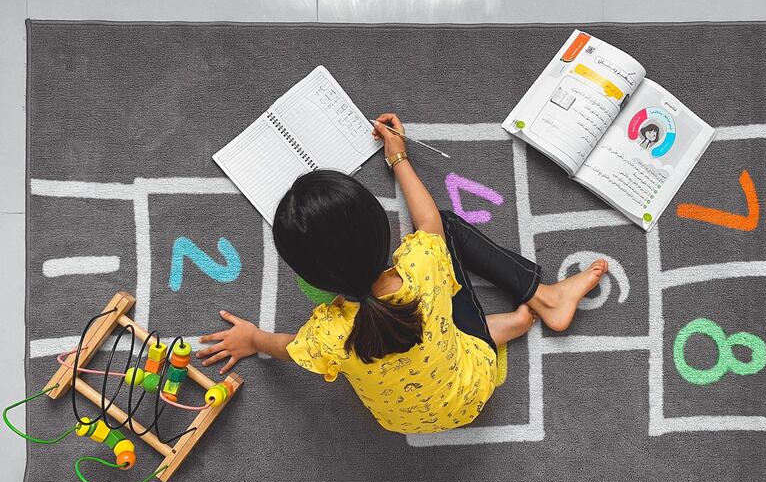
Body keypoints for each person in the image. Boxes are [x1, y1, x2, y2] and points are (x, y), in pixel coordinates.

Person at [197, 113, 608, 434]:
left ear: (314, 282)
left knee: (429, 329)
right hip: (471, 385)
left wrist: (252, 338)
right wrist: (398, 156)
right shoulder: (420, 267)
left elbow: (286, 347)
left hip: (400, 421)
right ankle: (525, 310)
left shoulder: (326, 336)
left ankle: (506, 323)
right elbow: (429, 219)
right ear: (383, 231)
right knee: (446, 228)